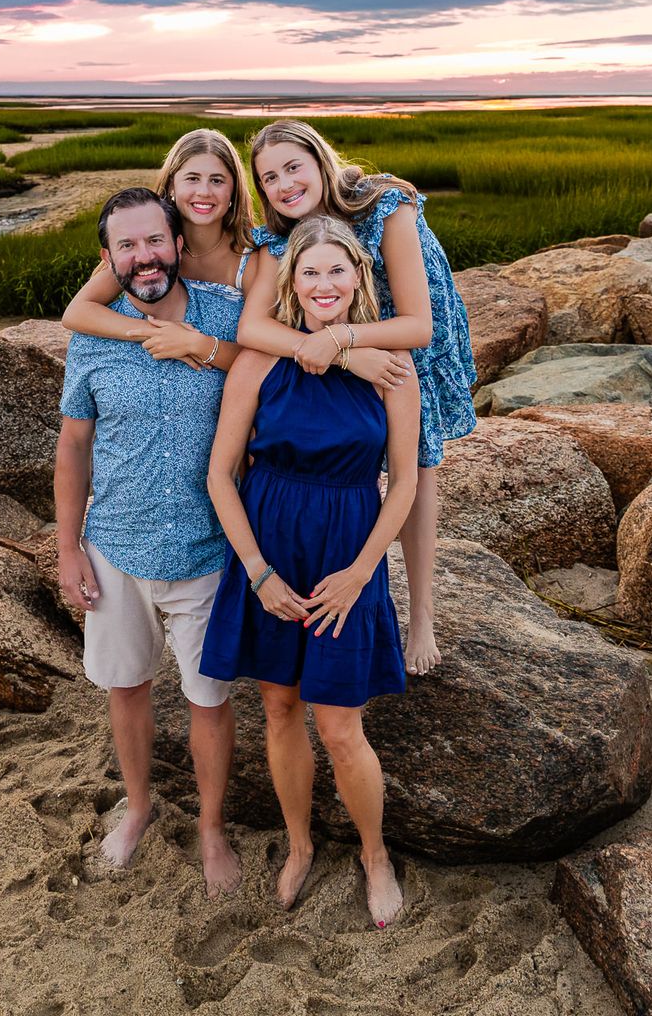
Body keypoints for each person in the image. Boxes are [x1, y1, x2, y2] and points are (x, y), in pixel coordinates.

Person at [199, 216, 425, 928]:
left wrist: (363, 573)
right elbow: (219, 476)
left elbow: (407, 487)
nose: (324, 284)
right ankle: (299, 845)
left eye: (337, 271)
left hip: (344, 555)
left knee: (340, 726)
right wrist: (258, 571)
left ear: (359, 276)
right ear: (291, 285)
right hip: (271, 552)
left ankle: (373, 853)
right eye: (310, 273)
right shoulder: (261, 363)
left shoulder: (391, 364)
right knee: (278, 707)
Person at [54, 187, 243, 896]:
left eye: (154, 242)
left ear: (177, 242)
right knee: (126, 688)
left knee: (208, 697)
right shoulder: (91, 336)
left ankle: (213, 828)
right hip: (115, 546)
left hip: (209, 549)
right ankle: (138, 808)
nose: (144, 258)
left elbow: (273, 381)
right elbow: (74, 445)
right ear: (108, 258)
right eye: (126, 247)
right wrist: (68, 548)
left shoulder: (225, 317)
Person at [236, 120, 474, 672]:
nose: (285, 183)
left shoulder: (386, 206)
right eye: (269, 177)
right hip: (343, 339)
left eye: (294, 166)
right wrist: (340, 353)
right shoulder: (280, 237)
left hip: (400, 342)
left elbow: (418, 324)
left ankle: (423, 619)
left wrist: (345, 339)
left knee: (414, 464)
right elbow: (252, 328)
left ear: (321, 162)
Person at [61, 128, 254, 369]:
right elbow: (76, 313)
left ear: (233, 190)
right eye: (192, 178)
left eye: (217, 180)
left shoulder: (250, 258)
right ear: (172, 186)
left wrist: (196, 344)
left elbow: (261, 357)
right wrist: (155, 332)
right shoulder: (155, 251)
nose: (204, 191)